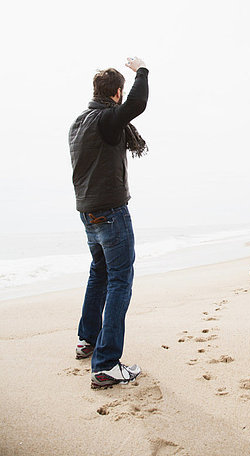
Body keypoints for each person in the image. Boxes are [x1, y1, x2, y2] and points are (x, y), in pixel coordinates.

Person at [68, 56, 149, 388]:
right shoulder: (105, 120)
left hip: (88, 214)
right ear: (116, 92)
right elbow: (138, 104)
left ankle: (86, 341)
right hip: (112, 214)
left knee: (99, 274)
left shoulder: (79, 122)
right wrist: (142, 70)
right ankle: (105, 365)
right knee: (119, 281)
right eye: (121, 92)